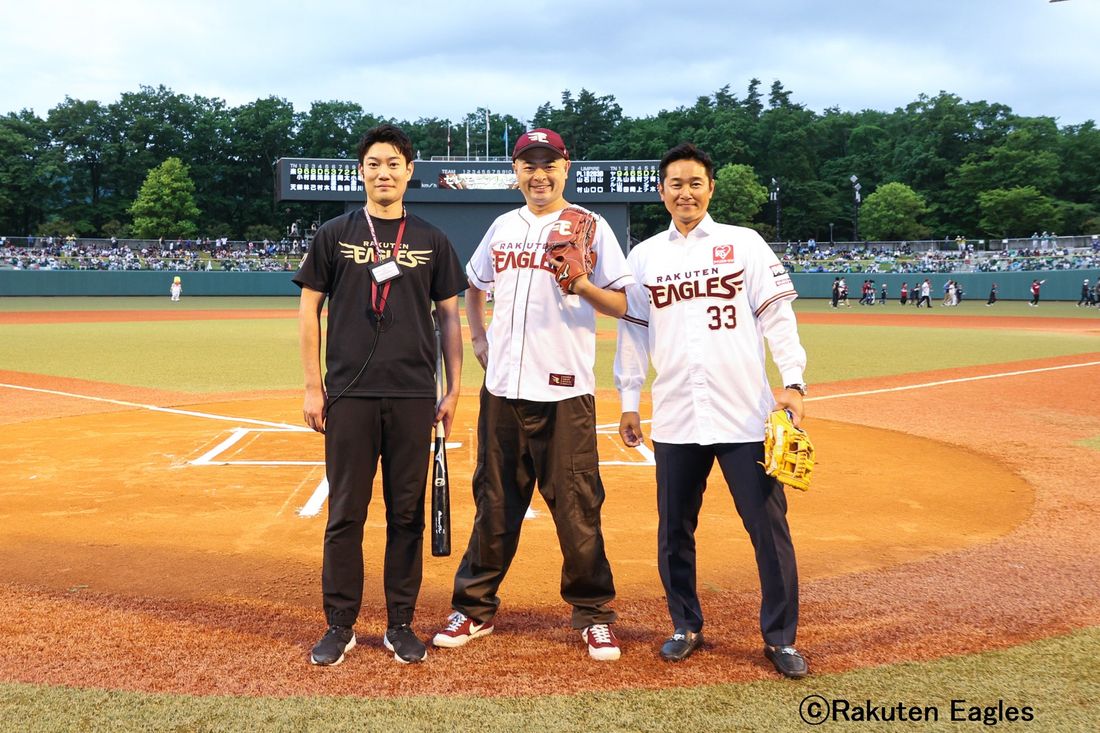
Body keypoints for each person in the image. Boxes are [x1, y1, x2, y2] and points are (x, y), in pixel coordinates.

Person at [432, 128, 632, 661]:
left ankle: (593, 613)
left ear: (566, 167)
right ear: (516, 171)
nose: (538, 174)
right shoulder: (502, 226)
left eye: (548, 164)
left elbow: (622, 302)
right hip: (502, 391)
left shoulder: (590, 225)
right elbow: (473, 283)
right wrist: (479, 336)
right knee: (493, 503)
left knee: (577, 506)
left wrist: (584, 286)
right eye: (528, 164)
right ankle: (473, 608)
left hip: (565, 392)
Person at [615, 143, 809, 678]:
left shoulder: (742, 243)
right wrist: (630, 400)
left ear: (711, 188)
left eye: (696, 182)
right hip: (676, 415)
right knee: (674, 530)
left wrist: (792, 382)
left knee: (768, 530)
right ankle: (685, 625)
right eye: (676, 183)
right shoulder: (645, 256)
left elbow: (778, 318)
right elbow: (632, 334)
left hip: (744, 413)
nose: (686, 192)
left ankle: (780, 637)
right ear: (661, 191)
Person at [293, 123, 466, 666]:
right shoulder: (333, 233)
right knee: (345, 513)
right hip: (348, 394)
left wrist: (455, 389)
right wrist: (311, 386)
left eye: (393, 163)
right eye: (374, 163)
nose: (383, 172)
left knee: (407, 514)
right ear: (361, 170)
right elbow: (308, 310)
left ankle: (399, 623)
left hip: (414, 394)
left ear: (410, 171)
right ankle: (339, 626)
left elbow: (450, 319)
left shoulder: (432, 239)